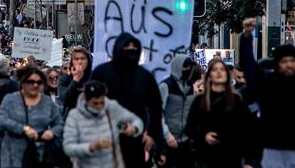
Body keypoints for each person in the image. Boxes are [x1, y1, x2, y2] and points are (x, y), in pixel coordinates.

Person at [90, 32, 165, 166]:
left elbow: (156, 108)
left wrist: (152, 135)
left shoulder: (145, 76)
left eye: (133, 46)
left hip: (137, 140)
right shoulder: (101, 73)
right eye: (127, 46)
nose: (131, 49)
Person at [239, 18, 295, 167]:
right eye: (284, 61)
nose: (289, 65)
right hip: (272, 147)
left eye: (292, 60)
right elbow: (249, 66)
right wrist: (246, 36)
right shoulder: (268, 83)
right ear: (277, 64)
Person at [184, 59, 257, 168]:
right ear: (209, 75)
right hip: (206, 157)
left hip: (231, 156)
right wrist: (204, 136)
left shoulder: (236, 100)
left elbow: (247, 130)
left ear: (228, 75)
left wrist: (248, 161)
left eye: (222, 69)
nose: (219, 72)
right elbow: (190, 128)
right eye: (214, 70)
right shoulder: (200, 100)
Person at [63, 80, 143, 168]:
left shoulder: (112, 107)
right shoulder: (74, 115)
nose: (99, 106)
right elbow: (68, 147)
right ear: (86, 99)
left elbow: (137, 120)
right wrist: (92, 147)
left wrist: (134, 128)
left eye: (102, 102)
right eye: (95, 103)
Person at [0, 66, 63, 168]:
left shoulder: (47, 102)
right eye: (31, 82)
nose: (35, 85)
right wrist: (23, 129)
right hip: (13, 155)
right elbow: (2, 119)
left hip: (39, 155)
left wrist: (52, 132)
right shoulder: (10, 99)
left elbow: (59, 123)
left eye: (39, 82)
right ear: (23, 83)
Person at [157, 55, 198, 168]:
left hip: (186, 140)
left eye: (189, 67)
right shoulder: (165, 86)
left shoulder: (191, 87)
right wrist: (167, 135)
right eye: (185, 66)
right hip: (167, 141)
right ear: (177, 66)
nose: (187, 69)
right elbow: (158, 113)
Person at [61, 46, 92, 114]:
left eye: (83, 59)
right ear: (72, 61)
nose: (80, 62)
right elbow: (64, 99)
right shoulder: (64, 79)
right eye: (76, 59)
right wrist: (76, 80)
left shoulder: (94, 77)